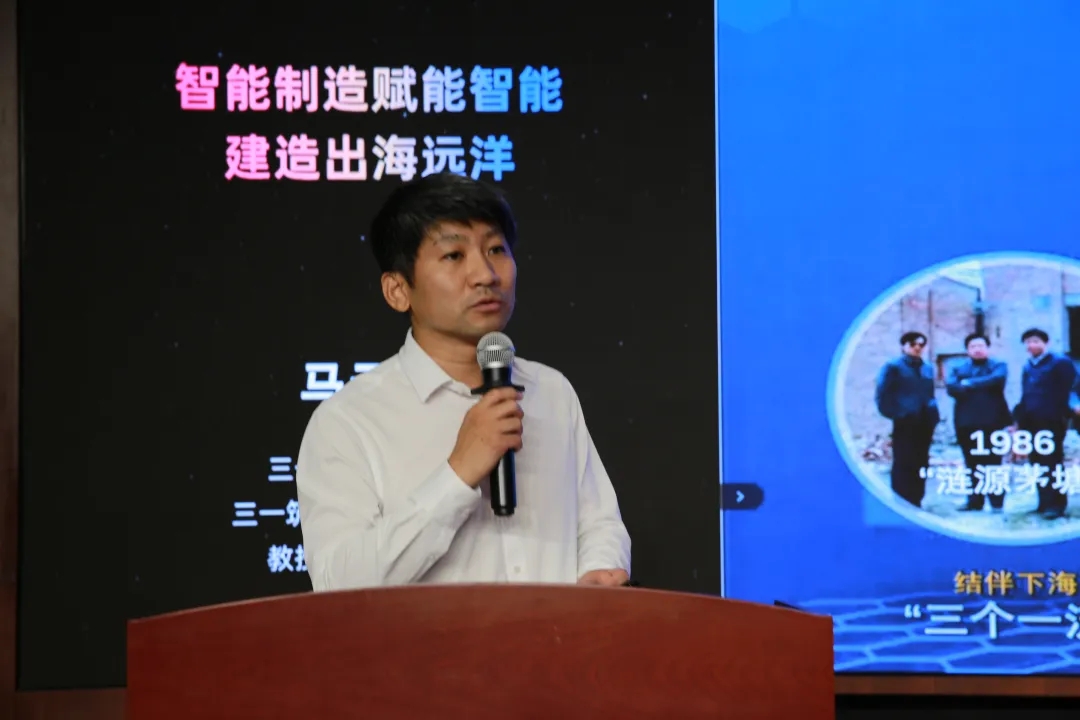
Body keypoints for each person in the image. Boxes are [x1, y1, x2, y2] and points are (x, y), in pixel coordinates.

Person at [295, 173, 631, 591]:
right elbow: (339, 584)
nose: (485, 274)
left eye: (495, 250)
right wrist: (457, 475)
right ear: (398, 290)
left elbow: (599, 522)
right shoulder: (349, 421)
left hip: (555, 634)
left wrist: (599, 569)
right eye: (454, 255)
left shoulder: (551, 391)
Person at [1012, 328, 1078, 519]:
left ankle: (1057, 505)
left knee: (1052, 461)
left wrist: (1072, 409)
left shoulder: (1060, 362)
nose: (1032, 345)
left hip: (1052, 420)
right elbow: (1025, 394)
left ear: (1045, 343)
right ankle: (1043, 502)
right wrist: (1018, 419)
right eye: (1028, 342)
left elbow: (1073, 387)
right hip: (1031, 420)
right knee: (1036, 461)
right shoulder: (1028, 366)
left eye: (1035, 341)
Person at [945, 333, 1012, 511]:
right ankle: (974, 501)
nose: (977, 349)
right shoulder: (958, 368)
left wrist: (968, 384)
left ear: (987, 348)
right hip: (966, 422)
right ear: (967, 350)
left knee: (994, 461)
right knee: (971, 461)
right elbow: (951, 388)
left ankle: (996, 502)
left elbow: (996, 380)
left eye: (981, 346)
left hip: (993, 421)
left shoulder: (998, 365)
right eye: (973, 346)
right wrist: (978, 385)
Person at [875, 331, 940, 508]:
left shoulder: (927, 368)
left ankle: (917, 498)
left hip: (925, 422)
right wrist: (897, 413)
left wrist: (934, 413)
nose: (917, 348)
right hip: (905, 421)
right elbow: (882, 394)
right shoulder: (893, 367)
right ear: (904, 346)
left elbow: (930, 393)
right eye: (912, 344)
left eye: (921, 345)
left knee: (921, 460)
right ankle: (901, 499)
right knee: (904, 460)